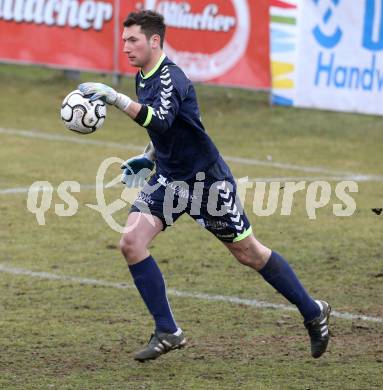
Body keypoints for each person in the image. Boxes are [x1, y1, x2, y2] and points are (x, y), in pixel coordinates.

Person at [79, 9, 331, 362]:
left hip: (204, 182)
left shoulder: (171, 78)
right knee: (131, 242)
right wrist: (147, 158)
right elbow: (170, 130)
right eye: (124, 40)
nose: (126, 47)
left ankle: (312, 311)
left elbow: (162, 120)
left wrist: (114, 97)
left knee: (249, 253)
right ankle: (168, 330)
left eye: (132, 40)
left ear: (154, 41)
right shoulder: (143, 76)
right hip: (169, 177)